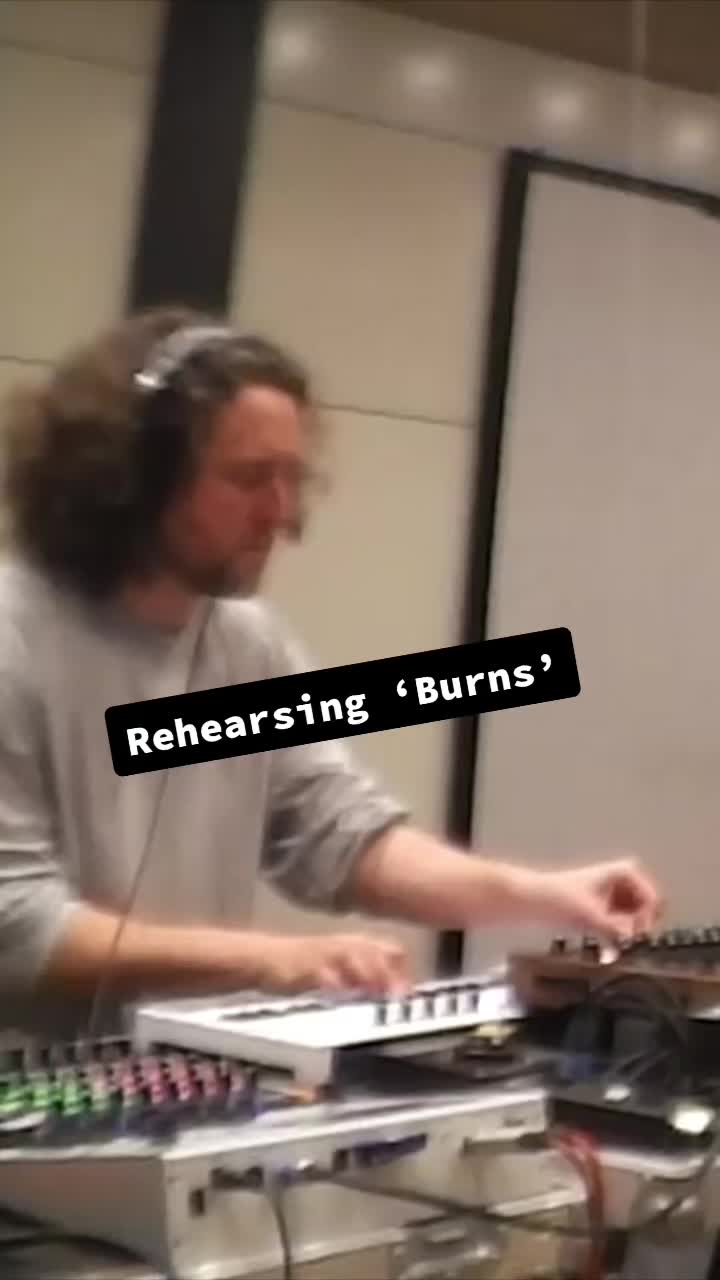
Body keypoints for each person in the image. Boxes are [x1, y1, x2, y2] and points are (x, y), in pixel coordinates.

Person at [0, 307, 662, 1038]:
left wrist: (544, 894)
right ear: (134, 478)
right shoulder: (13, 638)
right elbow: (18, 922)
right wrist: (275, 960)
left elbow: (336, 832)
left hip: (169, 1079)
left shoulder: (247, 644)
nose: (281, 513)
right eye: (250, 478)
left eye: (291, 477)